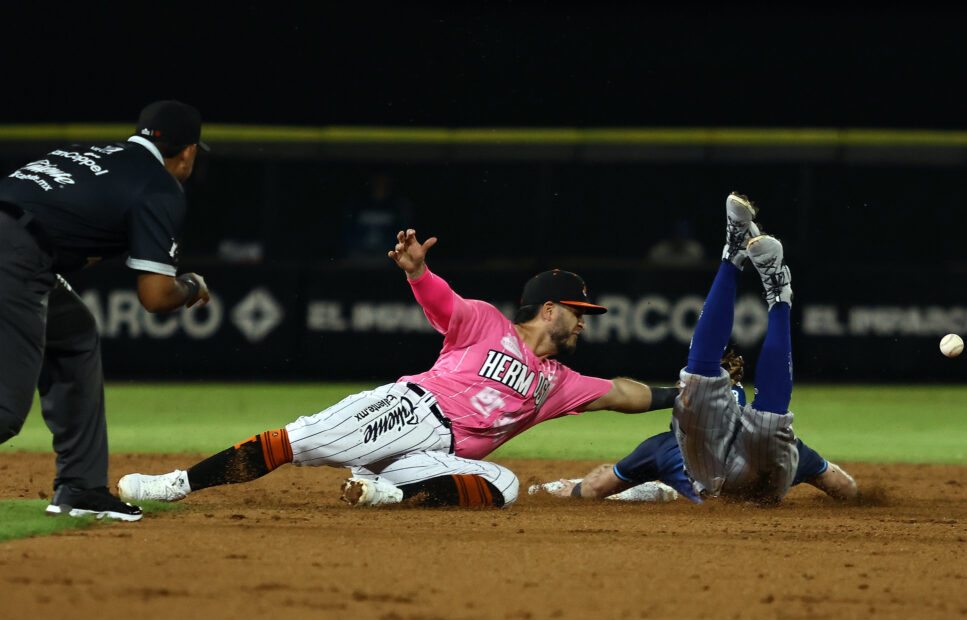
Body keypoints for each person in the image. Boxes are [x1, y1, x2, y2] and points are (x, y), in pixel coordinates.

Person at [117, 229, 681, 509]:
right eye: (579, 313)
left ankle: (384, 491)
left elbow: (622, 394)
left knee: (505, 488)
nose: (585, 324)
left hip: (438, 457)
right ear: (551, 309)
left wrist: (679, 393)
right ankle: (178, 483)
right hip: (411, 410)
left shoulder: (559, 383)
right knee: (295, 441)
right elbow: (444, 305)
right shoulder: (487, 323)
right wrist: (417, 272)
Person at [0, 100, 212, 522]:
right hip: (15, 256)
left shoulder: (89, 153)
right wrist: (190, 285)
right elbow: (154, 297)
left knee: (74, 333)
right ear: (187, 152)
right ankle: (80, 486)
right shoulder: (159, 186)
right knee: (5, 409)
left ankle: (81, 486)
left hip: (20, 246)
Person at [528, 353, 857, 503]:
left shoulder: (664, 448)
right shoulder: (782, 448)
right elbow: (842, 485)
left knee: (653, 487)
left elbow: (598, 487)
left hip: (693, 496)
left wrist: (569, 490)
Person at [665, 191, 812, 503]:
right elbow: (608, 481)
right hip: (710, 479)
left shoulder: (788, 447)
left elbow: (838, 481)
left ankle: (777, 292)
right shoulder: (662, 447)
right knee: (696, 391)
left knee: (768, 428)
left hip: (760, 479)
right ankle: (736, 258)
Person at [338, 171, 415, 266]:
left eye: (384, 183)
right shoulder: (358, 205)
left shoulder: (398, 206)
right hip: (359, 255)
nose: (380, 186)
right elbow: (347, 231)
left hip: (387, 257)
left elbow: (404, 233)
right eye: (377, 183)